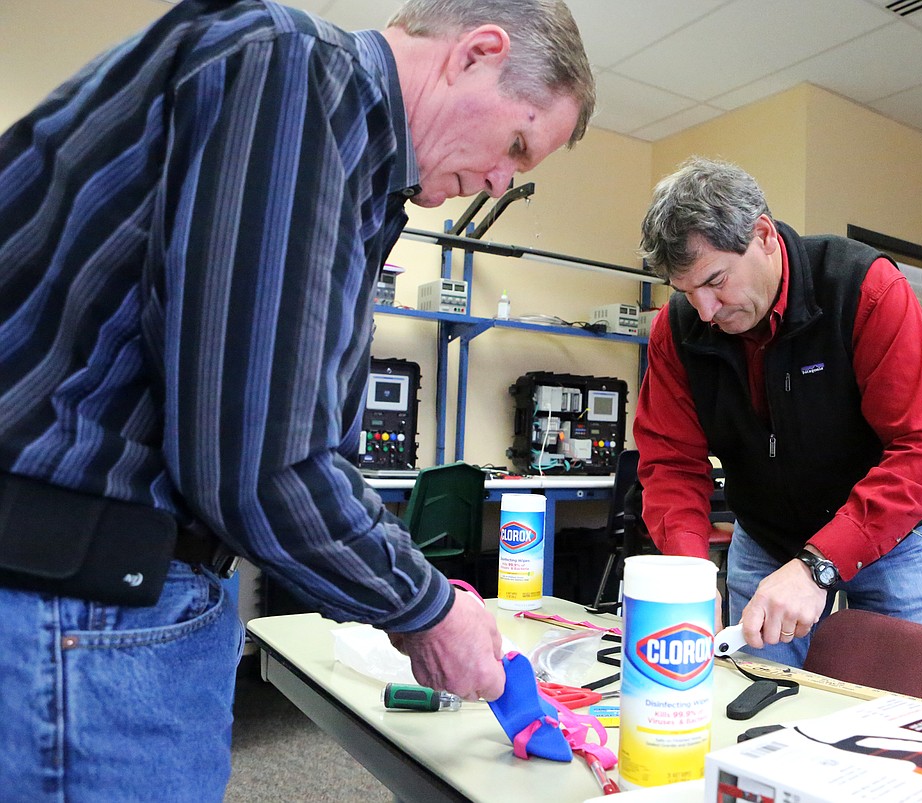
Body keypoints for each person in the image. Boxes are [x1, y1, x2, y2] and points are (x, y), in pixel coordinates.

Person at [0, 0, 593, 797]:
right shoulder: (303, 76)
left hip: (98, 590)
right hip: (82, 602)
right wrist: (425, 609)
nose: (499, 180)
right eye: (516, 146)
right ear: (477, 54)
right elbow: (260, 462)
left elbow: (300, 441)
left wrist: (419, 586)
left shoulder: (360, 171)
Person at [634, 157, 922, 669]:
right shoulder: (678, 330)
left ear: (763, 236)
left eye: (716, 280)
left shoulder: (864, 289)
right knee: (750, 696)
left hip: (898, 535)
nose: (705, 311)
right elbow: (671, 461)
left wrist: (819, 564)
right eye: (686, 292)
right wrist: (689, 574)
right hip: (767, 536)